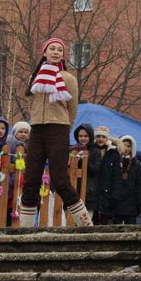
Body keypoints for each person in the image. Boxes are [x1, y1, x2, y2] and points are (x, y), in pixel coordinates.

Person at [19, 38, 91, 227]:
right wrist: (35, 118)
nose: (56, 52)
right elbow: (31, 102)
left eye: (60, 49)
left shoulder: (68, 78)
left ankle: (85, 224)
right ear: (44, 52)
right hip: (36, 129)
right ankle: (24, 231)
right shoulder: (34, 77)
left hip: (58, 129)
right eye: (52, 49)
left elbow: (73, 107)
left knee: (60, 178)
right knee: (31, 179)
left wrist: (65, 127)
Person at [112, 135, 141, 224]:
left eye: (129, 146)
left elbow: (140, 184)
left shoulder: (136, 164)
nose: (126, 148)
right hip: (116, 203)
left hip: (131, 203)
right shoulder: (114, 161)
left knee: (131, 230)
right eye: (124, 145)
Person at [94, 126, 118, 224]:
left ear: (107, 138)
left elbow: (117, 176)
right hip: (93, 192)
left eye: (103, 137)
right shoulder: (91, 149)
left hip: (107, 194)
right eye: (98, 136)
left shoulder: (113, 153)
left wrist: (115, 195)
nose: (100, 139)